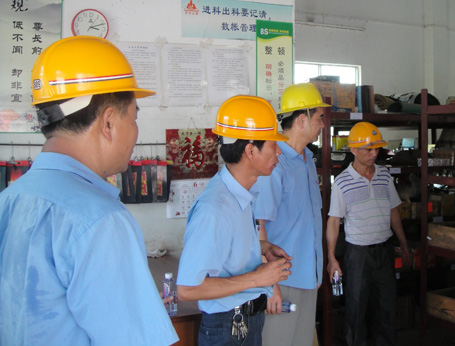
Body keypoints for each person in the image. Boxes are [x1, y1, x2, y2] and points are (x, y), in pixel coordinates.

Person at [0, 36, 179, 345]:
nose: (136, 132)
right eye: (134, 118)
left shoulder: (9, 199)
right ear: (108, 123)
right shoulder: (100, 220)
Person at [176, 95, 293, 346]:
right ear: (250, 150)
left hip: (246, 321)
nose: (279, 151)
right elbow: (188, 288)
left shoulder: (241, 193)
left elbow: (226, 250)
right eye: (273, 144)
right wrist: (257, 278)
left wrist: (260, 248)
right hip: (228, 329)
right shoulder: (215, 208)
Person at [253, 82, 329, 346]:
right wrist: (270, 284)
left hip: (308, 278)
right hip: (282, 281)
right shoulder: (276, 162)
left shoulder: (307, 160)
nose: (323, 124)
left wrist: (317, 270)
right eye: (319, 117)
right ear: (301, 120)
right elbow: (259, 226)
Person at [326, 122, 412, 346]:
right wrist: (332, 258)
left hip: (384, 251)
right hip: (358, 255)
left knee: (386, 309)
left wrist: (403, 243)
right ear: (353, 149)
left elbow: (393, 211)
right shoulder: (342, 183)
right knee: (356, 311)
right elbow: (333, 221)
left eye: (377, 149)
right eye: (369, 149)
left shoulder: (384, 176)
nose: (374, 154)